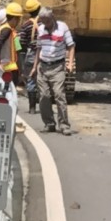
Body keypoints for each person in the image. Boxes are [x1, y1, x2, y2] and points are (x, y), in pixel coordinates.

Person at [30, 7, 75, 136]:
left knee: (59, 95)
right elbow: (39, 48)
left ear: (52, 18)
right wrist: (34, 67)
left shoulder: (63, 27)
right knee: (44, 96)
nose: (45, 24)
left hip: (57, 67)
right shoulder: (40, 29)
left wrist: (70, 63)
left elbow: (71, 46)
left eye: (47, 21)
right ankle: (49, 123)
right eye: (42, 21)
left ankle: (64, 125)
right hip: (43, 67)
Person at [18, 0, 41, 113]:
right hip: (44, 55)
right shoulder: (44, 24)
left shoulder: (26, 25)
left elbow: (21, 44)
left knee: (31, 79)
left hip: (31, 53)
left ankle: (32, 108)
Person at [0, 1, 23, 76]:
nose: (18, 22)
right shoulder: (7, 30)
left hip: (9, 67)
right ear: (15, 18)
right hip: (8, 68)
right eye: (18, 19)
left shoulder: (5, 30)